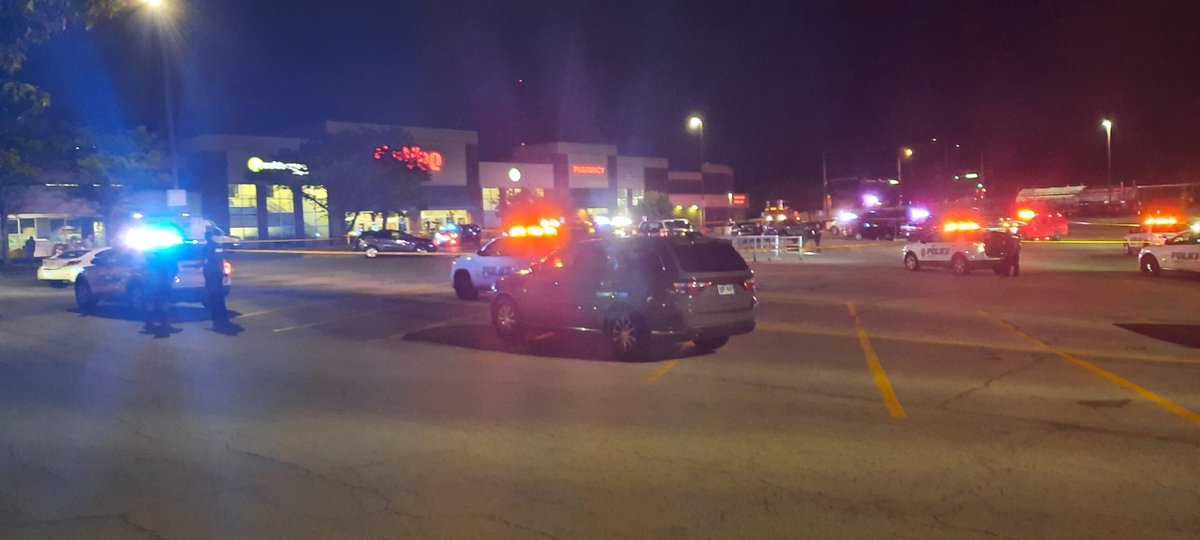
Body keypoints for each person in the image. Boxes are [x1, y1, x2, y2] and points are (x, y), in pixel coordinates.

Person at [143, 245, 178, 334]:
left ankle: (149, 323)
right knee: (164, 303)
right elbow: (173, 269)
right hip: (163, 284)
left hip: (152, 284)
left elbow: (147, 270)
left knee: (151, 303)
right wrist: (169, 279)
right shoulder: (169, 259)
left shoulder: (152, 259)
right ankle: (164, 325)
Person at [203, 230, 229, 327]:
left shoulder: (206, 247)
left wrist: (193, 266)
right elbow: (221, 259)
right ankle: (223, 313)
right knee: (219, 293)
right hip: (218, 272)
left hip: (211, 273)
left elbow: (203, 260)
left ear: (208, 237)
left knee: (212, 294)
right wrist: (224, 272)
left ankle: (216, 315)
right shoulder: (218, 246)